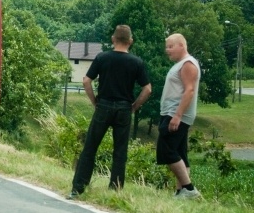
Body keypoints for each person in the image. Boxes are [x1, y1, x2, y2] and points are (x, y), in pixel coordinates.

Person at [68, 25, 152, 198]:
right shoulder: (137, 62)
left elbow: (86, 81)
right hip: (124, 108)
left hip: (104, 105)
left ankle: (78, 188)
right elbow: (148, 89)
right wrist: (134, 106)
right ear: (131, 41)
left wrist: (94, 101)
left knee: (90, 147)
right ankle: (115, 190)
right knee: (120, 151)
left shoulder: (102, 58)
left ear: (113, 39)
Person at [158, 33, 202, 199]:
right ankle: (180, 192)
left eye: (170, 46)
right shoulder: (180, 64)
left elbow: (189, 90)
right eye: (166, 47)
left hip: (176, 115)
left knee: (166, 150)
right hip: (172, 113)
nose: (167, 50)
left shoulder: (188, 64)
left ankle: (189, 188)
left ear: (181, 46)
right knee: (180, 152)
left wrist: (177, 116)